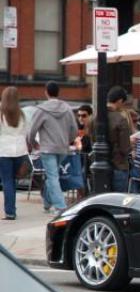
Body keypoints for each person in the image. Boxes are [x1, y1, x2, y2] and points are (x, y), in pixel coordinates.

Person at [28, 81, 78, 214]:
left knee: (52, 177)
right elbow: (74, 129)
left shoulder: (41, 109)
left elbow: (31, 131)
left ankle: (60, 206)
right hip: (62, 148)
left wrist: (33, 143)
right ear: (58, 92)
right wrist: (68, 140)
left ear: (46, 92)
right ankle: (47, 202)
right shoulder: (67, 108)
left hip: (47, 149)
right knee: (53, 175)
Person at [0, 87, 29, 220]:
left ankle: (10, 212)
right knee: (13, 181)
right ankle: (11, 209)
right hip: (20, 151)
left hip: (4, 151)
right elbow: (25, 132)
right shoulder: (22, 114)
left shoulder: (1, 113)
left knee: (7, 181)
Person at [106, 86, 132, 192]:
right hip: (119, 165)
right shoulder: (121, 120)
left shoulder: (96, 117)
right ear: (120, 101)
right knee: (118, 202)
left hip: (101, 166)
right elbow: (124, 148)